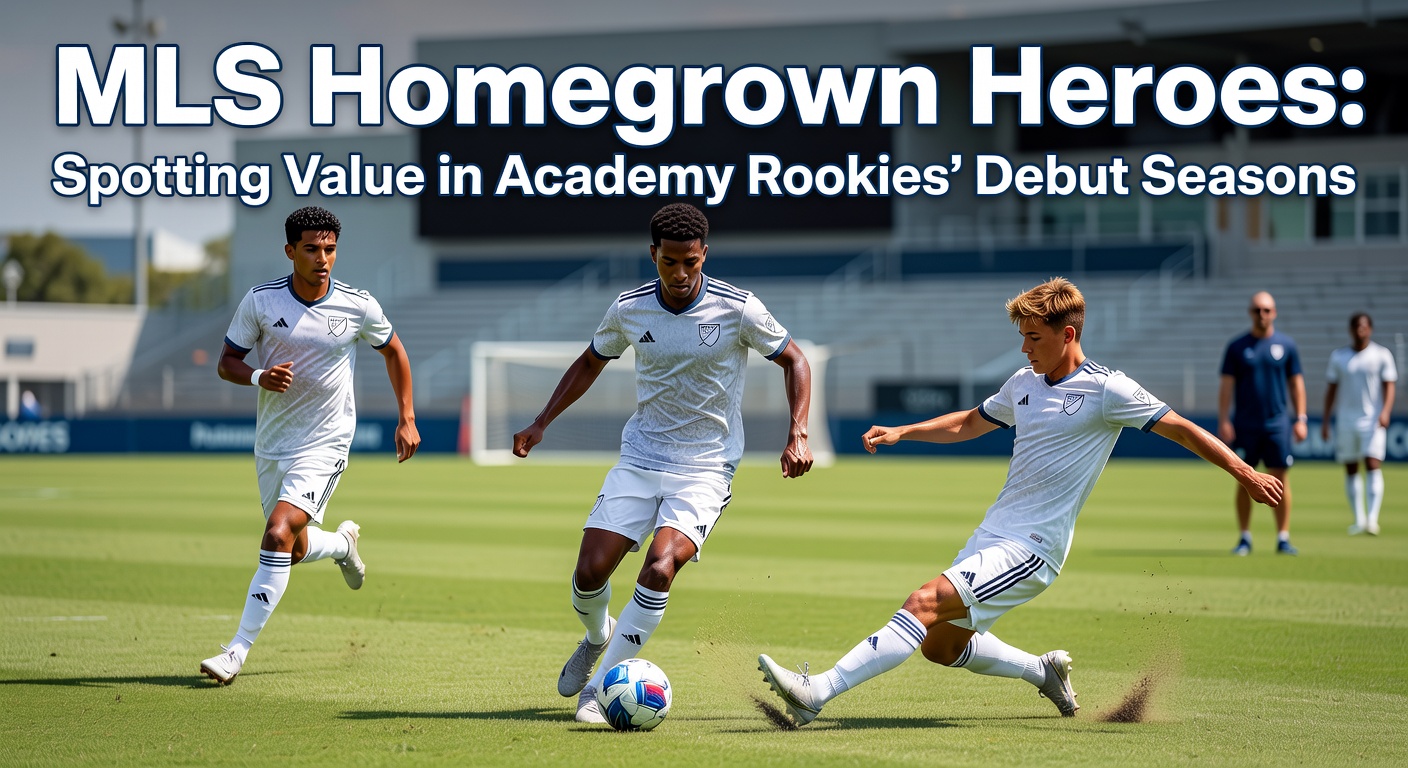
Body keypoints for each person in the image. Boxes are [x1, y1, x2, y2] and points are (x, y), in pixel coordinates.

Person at [756, 277, 1283, 727]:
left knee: (921, 603)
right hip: (994, 533)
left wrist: (1243, 472)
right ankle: (1042, 671)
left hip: (1034, 548)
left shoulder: (1108, 390)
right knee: (939, 645)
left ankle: (816, 693)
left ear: (1067, 334)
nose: (1025, 348)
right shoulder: (1024, 383)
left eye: (1034, 337)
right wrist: (904, 431)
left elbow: (1184, 430)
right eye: (1023, 338)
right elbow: (968, 422)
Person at [512, 203, 813, 723]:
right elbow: (591, 361)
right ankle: (595, 636)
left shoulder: (737, 308)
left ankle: (602, 686)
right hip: (641, 458)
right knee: (589, 573)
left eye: (690, 263)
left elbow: (795, 359)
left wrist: (798, 433)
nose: (680, 274)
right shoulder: (629, 308)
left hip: (705, 467)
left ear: (704, 256)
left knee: (660, 565)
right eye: (669, 262)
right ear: (653, 255)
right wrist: (542, 422)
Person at [198, 206, 420, 684]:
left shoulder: (358, 305)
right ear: (290, 251)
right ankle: (342, 545)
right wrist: (260, 375)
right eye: (312, 249)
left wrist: (406, 416)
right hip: (272, 443)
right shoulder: (260, 301)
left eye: (330, 249)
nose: (323, 258)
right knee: (292, 549)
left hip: (327, 441)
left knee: (277, 533)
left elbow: (395, 350)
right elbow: (227, 362)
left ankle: (235, 651)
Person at [1218, 291, 1306, 556]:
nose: (1262, 315)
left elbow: (1296, 383)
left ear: (1274, 313)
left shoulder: (1287, 346)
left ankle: (1283, 537)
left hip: (1277, 424)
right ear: (1250, 313)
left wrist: (1301, 417)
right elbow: (1226, 386)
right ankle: (1244, 537)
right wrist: (1224, 419)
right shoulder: (1236, 347)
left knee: (1280, 479)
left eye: (1267, 310)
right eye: (1257, 310)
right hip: (1245, 425)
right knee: (1244, 478)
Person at [1323, 312, 1397, 536]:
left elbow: (1389, 386)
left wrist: (1385, 411)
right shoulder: (1339, 357)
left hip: (1372, 420)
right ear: (1350, 329)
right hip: (1346, 420)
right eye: (1356, 326)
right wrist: (1326, 420)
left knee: (1373, 464)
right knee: (1351, 468)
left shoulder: (1381, 355)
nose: (1359, 330)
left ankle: (1372, 520)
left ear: (1370, 329)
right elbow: (1331, 390)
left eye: (1363, 326)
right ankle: (1359, 519)